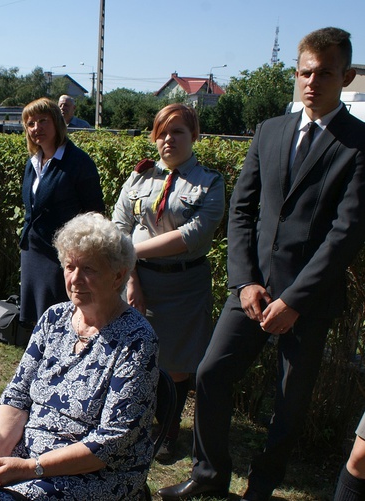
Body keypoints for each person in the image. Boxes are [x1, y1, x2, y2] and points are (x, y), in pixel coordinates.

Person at [158, 27, 365, 501]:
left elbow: (345, 233)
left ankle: (261, 489)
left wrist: (295, 300)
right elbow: (243, 212)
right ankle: (210, 476)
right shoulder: (270, 131)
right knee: (210, 375)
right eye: (305, 72)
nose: (312, 82)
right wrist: (244, 282)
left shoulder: (359, 144)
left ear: (346, 76)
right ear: (297, 73)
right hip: (251, 295)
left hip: (308, 301)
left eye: (325, 73)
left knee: (289, 406)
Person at [0, 212, 158, 500]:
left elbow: (112, 440)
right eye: (70, 266)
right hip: (26, 452)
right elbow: (17, 395)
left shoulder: (136, 339)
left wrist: (28, 469)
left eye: (89, 269)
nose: (75, 279)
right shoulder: (54, 318)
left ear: (119, 275)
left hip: (94, 474)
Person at [112, 103, 225, 460]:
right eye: (162, 132)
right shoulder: (139, 177)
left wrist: (132, 253)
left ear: (194, 135)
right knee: (135, 355)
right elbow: (119, 227)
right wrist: (131, 279)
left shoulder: (210, 182)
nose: (168, 140)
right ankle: (137, 419)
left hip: (183, 285)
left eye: (177, 132)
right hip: (139, 282)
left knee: (176, 363)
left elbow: (192, 235)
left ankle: (168, 427)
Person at [19, 97, 105, 330]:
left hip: (62, 256)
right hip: (33, 252)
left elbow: (94, 212)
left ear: (57, 122)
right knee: (38, 320)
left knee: (61, 318)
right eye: (31, 123)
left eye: (43, 121)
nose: (37, 128)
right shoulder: (33, 162)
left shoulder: (78, 162)